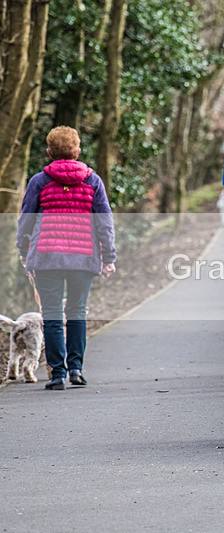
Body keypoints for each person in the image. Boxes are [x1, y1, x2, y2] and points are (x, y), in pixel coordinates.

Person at [16, 126, 116, 390]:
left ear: (49, 152)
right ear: (77, 151)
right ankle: (76, 369)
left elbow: (26, 220)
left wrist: (23, 251)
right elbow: (105, 222)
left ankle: (58, 374)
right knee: (77, 312)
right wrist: (108, 257)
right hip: (83, 258)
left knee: (50, 314)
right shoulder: (93, 181)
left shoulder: (39, 181)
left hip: (47, 257)